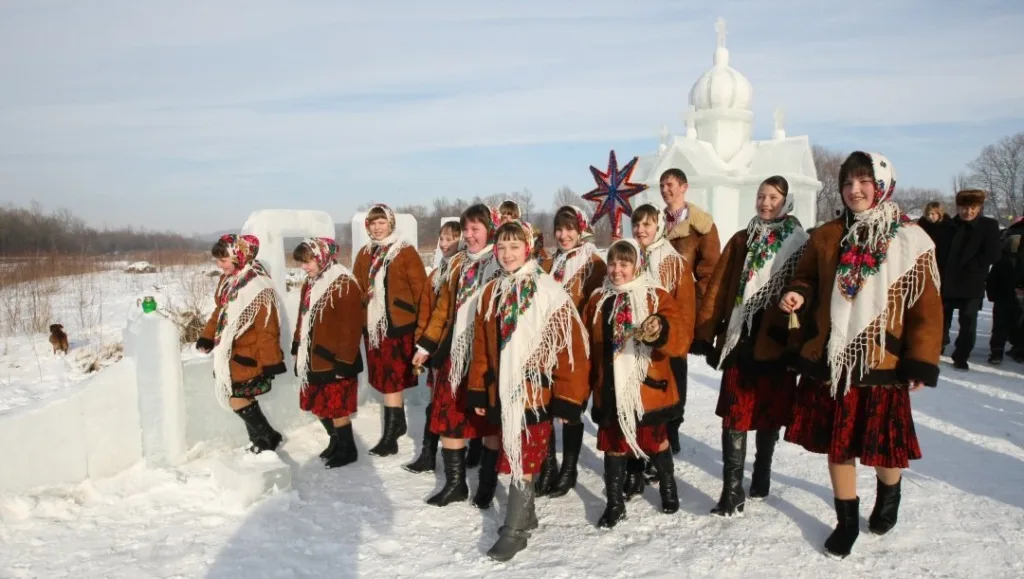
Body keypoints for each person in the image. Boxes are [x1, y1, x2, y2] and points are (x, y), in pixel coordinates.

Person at [779, 151, 942, 559]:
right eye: (848, 183)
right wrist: (798, 292)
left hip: (882, 361)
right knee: (839, 445)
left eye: (863, 182)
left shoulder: (910, 239)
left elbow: (926, 308)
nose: (855, 190)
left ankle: (889, 494)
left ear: (882, 184)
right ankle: (846, 520)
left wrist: (920, 360)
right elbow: (807, 276)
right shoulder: (827, 234)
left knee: (885, 449)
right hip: (833, 358)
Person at [467, 220, 589, 561]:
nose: (507, 254)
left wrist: (568, 399)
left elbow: (570, 347)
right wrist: (478, 389)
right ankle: (528, 514)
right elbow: (481, 345)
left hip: (536, 389)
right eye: (501, 247)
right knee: (514, 450)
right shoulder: (491, 292)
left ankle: (515, 530)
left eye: (514, 247)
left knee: (524, 456)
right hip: (503, 389)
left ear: (529, 248)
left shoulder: (547, 290)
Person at [694, 176, 808, 516]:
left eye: (773, 197)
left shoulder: (799, 242)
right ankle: (732, 490)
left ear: (786, 201)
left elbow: (809, 288)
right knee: (735, 412)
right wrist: (705, 332)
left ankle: (762, 472)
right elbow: (718, 285)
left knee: (770, 410)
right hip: (740, 336)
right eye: (761, 196)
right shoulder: (742, 239)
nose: (765, 202)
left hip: (777, 340)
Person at [583, 239, 693, 528]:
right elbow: (586, 347)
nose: (617, 270)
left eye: (624, 263)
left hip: (648, 387)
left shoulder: (655, 296)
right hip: (610, 387)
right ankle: (615, 503)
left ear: (637, 265)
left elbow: (680, 336)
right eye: (613, 263)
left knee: (655, 440)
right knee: (613, 445)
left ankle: (668, 485)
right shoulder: (597, 299)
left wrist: (660, 329)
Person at [413, 204, 503, 507]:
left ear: (490, 228)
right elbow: (443, 309)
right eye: (466, 230)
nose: (469, 235)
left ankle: (487, 483)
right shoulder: (458, 263)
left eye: (475, 229)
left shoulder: (501, 262)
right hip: (455, 351)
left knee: (489, 422)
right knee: (447, 414)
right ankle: (456, 484)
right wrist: (425, 346)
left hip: (487, 354)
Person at [536, 206, 608, 498]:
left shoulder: (594, 265)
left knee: (570, 408)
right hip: (548, 346)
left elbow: (596, 308)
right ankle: (549, 465)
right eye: (559, 229)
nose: (564, 235)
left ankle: (569, 468)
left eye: (570, 229)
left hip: (577, 348)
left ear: (581, 230)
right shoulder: (550, 263)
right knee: (547, 405)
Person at [196, 234, 287, 453]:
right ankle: (260, 441)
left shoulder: (258, 287)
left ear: (239, 257)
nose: (219, 265)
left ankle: (268, 436)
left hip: (250, 355)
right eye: (218, 260)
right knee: (241, 397)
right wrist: (207, 337)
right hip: (231, 352)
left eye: (224, 260)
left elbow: (268, 327)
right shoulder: (230, 281)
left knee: (237, 398)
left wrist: (271, 361)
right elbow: (221, 312)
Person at [353, 204, 428, 456]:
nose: (376, 227)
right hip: (374, 326)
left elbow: (421, 290)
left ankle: (391, 434)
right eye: (372, 223)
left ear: (391, 223)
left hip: (399, 324)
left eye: (381, 222)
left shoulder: (404, 251)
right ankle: (397, 425)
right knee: (385, 378)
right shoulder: (365, 253)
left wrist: (423, 327)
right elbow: (357, 287)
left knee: (392, 380)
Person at [631, 204, 696, 462]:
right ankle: (639, 451)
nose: (640, 229)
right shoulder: (628, 258)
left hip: (665, 343)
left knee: (666, 397)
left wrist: (674, 339)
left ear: (658, 226)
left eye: (647, 224)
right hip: (634, 343)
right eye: (636, 224)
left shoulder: (674, 264)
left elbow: (685, 309)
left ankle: (665, 443)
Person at [291, 238, 362, 468]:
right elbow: (303, 317)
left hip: (334, 358)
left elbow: (351, 327)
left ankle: (348, 448)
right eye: (302, 262)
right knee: (318, 404)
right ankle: (335, 441)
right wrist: (296, 344)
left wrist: (344, 361)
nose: (305, 267)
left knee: (336, 406)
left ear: (322, 256)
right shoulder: (311, 283)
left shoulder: (342, 283)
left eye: (308, 261)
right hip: (313, 355)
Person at [405, 220, 462, 474]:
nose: (444, 244)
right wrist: (422, 345)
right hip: (435, 346)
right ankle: (428, 454)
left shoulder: (462, 270)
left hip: (454, 346)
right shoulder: (437, 273)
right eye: (441, 239)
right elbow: (428, 313)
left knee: (455, 404)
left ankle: (472, 455)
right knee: (435, 402)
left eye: (450, 238)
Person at [936, 189, 1001, 371]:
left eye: (973, 208)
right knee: (941, 319)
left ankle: (961, 355)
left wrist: (973, 267)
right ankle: (938, 347)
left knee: (968, 322)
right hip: (946, 281)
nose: (968, 212)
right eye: (964, 207)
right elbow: (938, 251)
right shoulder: (948, 226)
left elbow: (993, 254)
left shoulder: (988, 225)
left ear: (979, 208)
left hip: (971, 283)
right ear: (958, 207)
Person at [659, 168, 721, 306]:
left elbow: (710, 273)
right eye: (661, 185)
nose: (664, 189)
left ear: (684, 187)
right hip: (659, 303)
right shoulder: (656, 223)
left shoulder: (702, 225)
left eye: (669, 185)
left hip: (687, 304)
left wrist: (692, 302)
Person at [986, 228, 1024, 364]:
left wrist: (992, 295)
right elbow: (992, 280)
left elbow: (991, 280)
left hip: (1003, 296)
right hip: (1011, 297)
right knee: (1014, 325)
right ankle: (1015, 351)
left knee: (1001, 326)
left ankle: (997, 352)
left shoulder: (1001, 260)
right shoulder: (1005, 260)